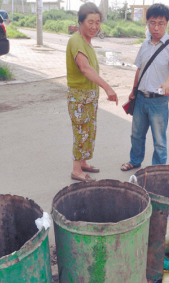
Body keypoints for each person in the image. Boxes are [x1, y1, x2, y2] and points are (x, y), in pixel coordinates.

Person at [121, 3, 169, 171]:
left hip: (159, 101)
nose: (156, 27)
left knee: (159, 141)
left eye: (160, 23)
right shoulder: (145, 45)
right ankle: (134, 160)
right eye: (152, 23)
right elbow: (140, 69)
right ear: (147, 23)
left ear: (166, 24)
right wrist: (133, 91)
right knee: (136, 135)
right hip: (141, 98)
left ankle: (158, 170)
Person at [66, 3, 118, 182]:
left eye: (97, 22)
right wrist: (107, 87)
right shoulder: (76, 41)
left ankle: (83, 163)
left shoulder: (87, 41)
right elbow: (85, 68)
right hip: (79, 96)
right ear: (80, 22)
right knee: (81, 132)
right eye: (90, 22)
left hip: (89, 96)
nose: (95, 27)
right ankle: (76, 170)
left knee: (89, 131)